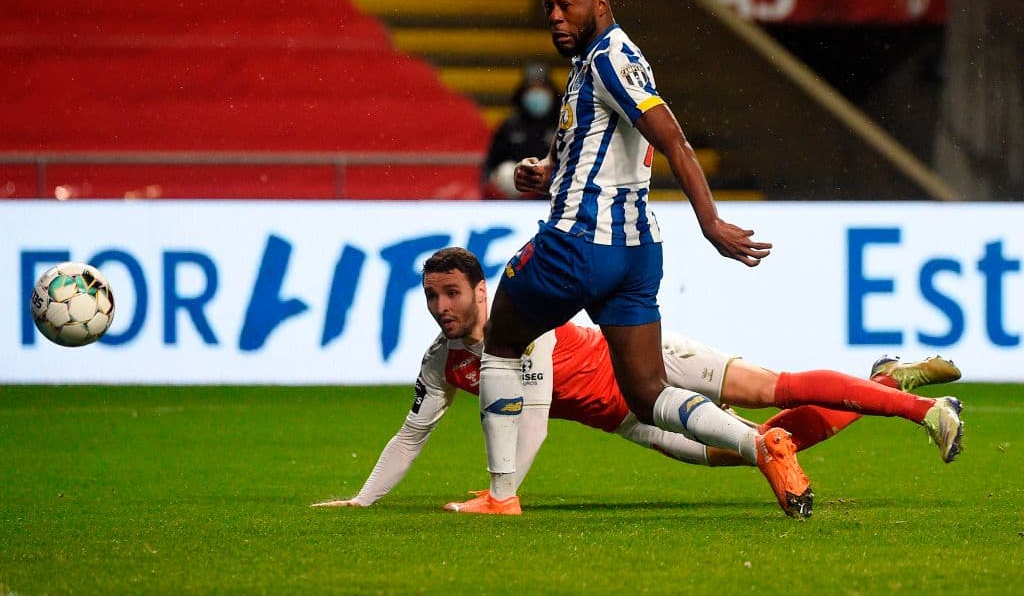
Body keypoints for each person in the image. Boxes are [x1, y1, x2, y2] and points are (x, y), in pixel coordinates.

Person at [472, 0, 799, 515]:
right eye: (548, 4)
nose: (553, 15)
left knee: (500, 339)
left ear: (600, 4)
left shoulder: (610, 59)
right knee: (647, 394)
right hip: (636, 254)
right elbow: (601, 149)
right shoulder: (591, 63)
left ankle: (501, 495)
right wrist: (546, 172)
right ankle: (759, 442)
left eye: (565, 3)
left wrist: (712, 223)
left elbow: (676, 142)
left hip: (577, 243)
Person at [312, 248, 962, 516]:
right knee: (756, 441)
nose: (440, 306)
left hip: (650, 361)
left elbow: (531, 414)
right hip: (629, 418)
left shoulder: (522, 324)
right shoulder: (442, 360)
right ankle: (884, 381)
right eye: (431, 295)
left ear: (480, 291)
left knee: (778, 386)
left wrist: (502, 494)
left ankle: (918, 405)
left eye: (451, 292)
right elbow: (411, 432)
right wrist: (363, 501)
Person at [481, 63, 561, 199]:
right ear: (523, 92)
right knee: (506, 170)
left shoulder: (563, 125)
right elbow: (490, 166)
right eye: (532, 88)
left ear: (550, 91)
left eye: (541, 88)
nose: (537, 94)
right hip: (514, 199)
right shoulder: (509, 126)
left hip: (554, 196)